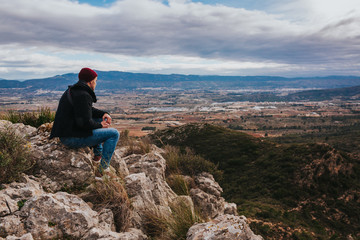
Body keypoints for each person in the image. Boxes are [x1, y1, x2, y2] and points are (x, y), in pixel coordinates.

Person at [50, 67, 119, 178]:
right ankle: (103, 169)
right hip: (71, 138)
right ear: (91, 81)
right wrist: (100, 125)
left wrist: (103, 114)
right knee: (114, 134)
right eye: (95, 81)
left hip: (67, 133)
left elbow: (86, 111)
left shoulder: (74, 91)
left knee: (97, 120)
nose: (96, 83)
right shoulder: (83, 95)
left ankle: (98, 156)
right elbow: (85, 124)